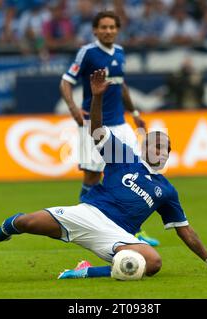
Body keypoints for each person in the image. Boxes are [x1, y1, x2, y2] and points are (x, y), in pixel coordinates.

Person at [0, 69, 207, 279]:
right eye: (156, 144)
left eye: (166, 147)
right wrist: (96, 97)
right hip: (88, 214)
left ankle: (84, 272)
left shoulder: (167, 190)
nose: (161, 150)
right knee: (26, 222)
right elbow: (96, 131)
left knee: (152, 262)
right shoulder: (123, 157)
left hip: (117, 236)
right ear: (144, 146)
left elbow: (184, 231)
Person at [59, 11, 159, 246]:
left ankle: (134, 230)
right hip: (94, 126)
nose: (108, 31)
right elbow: (65, 81)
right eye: (103, 27)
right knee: (93, 176)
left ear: (117, 29)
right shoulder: (88, 52)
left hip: (121, 125)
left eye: (112, 27)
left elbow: (121, 85)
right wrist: (73, 108)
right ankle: (79, 223)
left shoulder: (121, 52)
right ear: (95, 30)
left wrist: (135, 114)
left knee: (132, 175)